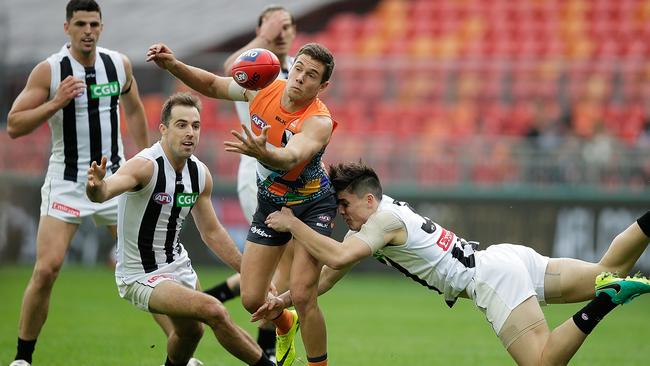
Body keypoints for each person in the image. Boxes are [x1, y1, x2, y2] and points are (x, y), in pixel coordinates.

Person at [255, 161, 650, 366]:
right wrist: (285, 300)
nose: (341, 213)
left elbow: (338, 256)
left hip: (492, 278)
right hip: (506, 257)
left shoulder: (380, 222)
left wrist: (293, 223)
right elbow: (324, 280)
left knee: (543, 363)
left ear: (369, 199)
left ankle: (604, 302)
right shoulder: (381, 218)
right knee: (610, 269)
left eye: (345, 204)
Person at [147, 41, 337, 366]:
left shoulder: (319, 121)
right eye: (300, 69)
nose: (301, 78)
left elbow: (292, 155)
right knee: (252, 299)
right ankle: (284, 322)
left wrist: (265, 153)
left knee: (304, 295)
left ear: (323, 86)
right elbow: (212, 85)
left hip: (311, 207)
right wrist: (173, 65)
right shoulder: (263, 88)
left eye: (312, 75)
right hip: (271, 204)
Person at [6, 1, 149, 365]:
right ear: (66, 27)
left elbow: (133, 107)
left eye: (95, 24)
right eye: (81, 24)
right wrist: (56, 103)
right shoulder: (50, 71)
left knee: (147, 266)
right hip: (67, 181)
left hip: (114, 180)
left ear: (102, 27)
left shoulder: (118, 64)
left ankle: (184, 352)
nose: (88, 30)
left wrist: (146, 156)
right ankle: (23, 357)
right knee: (47, 269)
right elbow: (15, 125)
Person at [85, 92, 275, 366]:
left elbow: (212, 232)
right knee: (213, 310)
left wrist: (249, 273)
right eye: (181, 124)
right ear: (163, 129)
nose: (190, 133)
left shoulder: (199, 173)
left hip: (178, 264)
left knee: (191, 332)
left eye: (195, 126)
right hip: (140, 274)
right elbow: (105, 192)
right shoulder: (144, 166)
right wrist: (96, 187)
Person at [202, 5, 298, 360]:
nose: (282, 31)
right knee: (280, 255)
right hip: (257, 173)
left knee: (279, 259)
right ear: (261, 29)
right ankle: (268, 350)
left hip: (289, 175)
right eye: (276, 25)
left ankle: (212, 297)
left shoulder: (297, 71)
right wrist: (264, 36)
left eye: (288, 25)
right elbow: (230, 69)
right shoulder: (259, 67)